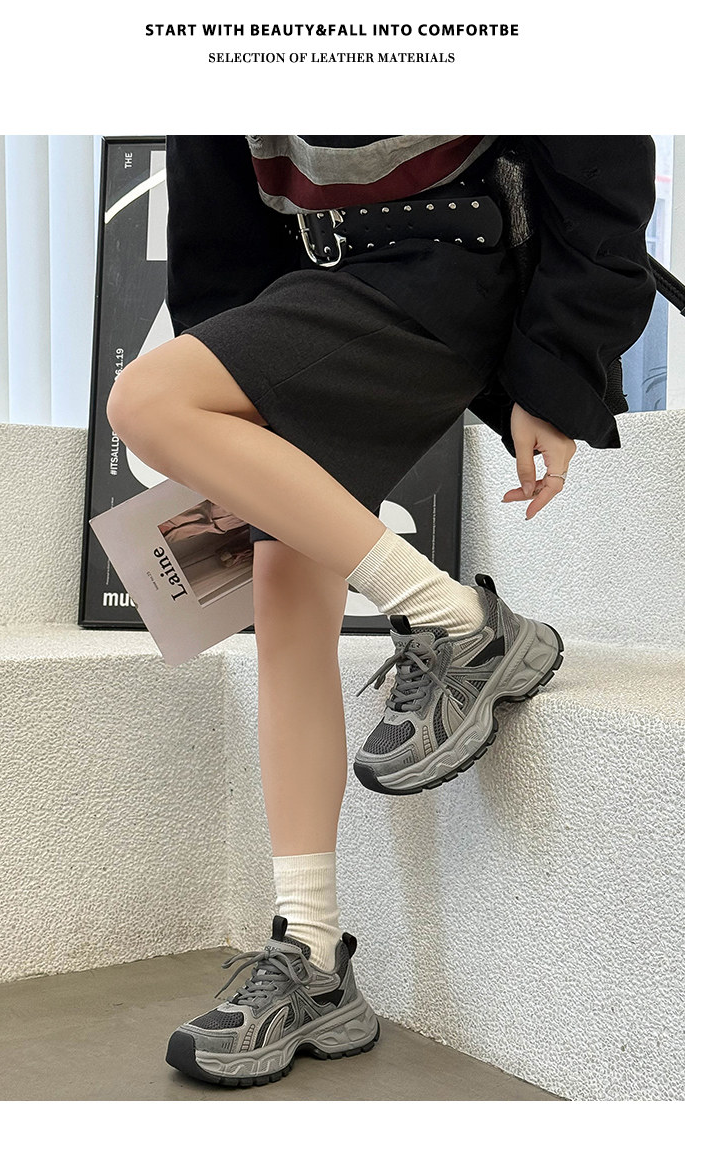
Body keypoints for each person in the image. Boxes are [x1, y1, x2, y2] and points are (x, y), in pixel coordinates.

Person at [106, 135, 657, 1088]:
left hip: (455, 271)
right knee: (285, 600)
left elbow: (596, 162)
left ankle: (455, 619)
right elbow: (216, 233)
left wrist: (557, 372)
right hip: (306, 292)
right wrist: (235, 417)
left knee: (144, 399)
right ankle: (313, 957)